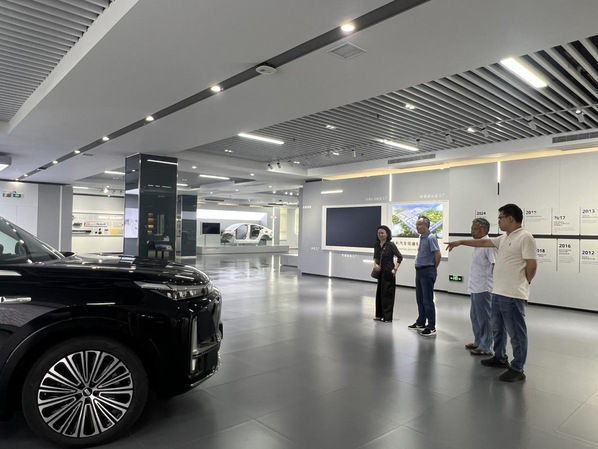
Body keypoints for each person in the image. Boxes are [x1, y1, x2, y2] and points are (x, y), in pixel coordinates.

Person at [446, 204, 537, 382]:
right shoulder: (505, 237)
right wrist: (460, 242)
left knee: (516, 333)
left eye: (500, 218)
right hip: (498, 292)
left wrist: (523, 282)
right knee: (497, 328)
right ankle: (500, 357)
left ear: (510, 218)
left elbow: (532, 265)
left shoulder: (525, 237)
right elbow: (483, 242)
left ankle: (517, 367)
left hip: (513, 294)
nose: (498, 221)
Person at [465, 218, 496, 356]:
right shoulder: (478, 244)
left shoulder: (488, 245)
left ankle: (486, 346)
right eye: (472, 228)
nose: (472, 231)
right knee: (475, 316)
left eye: (475, 228)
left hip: (484, 287)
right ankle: (478, 341)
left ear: (484, 230)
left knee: (484, 318)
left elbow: (494, 265)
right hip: (475, 286)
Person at [408, 216, 441, 336]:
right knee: (420, 298)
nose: (417, 227)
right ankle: (421, 322)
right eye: (416, 224)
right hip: (420, 271)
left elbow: (437, 254)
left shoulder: (431, 237)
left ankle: (431, 326)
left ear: (426, 225)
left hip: (427, 271)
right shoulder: (422, 237)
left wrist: (433, 268)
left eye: (419, 224)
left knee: (427, 300)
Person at [373, 225, 403, 322]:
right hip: (380, 272)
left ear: (387, 234)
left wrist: (395, 269)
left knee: (388, 294)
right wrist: (375, 264)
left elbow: (400, 257)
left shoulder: (391, 245)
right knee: (379, 293)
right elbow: (375, 257)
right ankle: (379, 315)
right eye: (379, 233)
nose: (380, 235)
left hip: (389, 272)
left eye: (382, 233)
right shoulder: (377, 245)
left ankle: (387, 317)